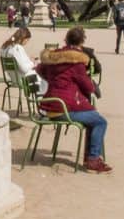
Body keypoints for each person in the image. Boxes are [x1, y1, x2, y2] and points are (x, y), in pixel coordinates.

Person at [38, 26, 111, 173]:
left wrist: (55, 81)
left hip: (50, 105)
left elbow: (39, 69)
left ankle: (91, 158)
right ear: (81, 42)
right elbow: (88, 88)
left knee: (93, 119)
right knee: (100, 121)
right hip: (64, 108)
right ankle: (93, 160)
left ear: (66, 39)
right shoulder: (76, 62)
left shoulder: (53, 57)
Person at [0, 26, 47, 95]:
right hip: (24, 79)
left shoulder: (5, 47)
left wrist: (29, 61)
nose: (26, 43)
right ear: (24, 38)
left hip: (14, 79)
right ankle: (44, 100)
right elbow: (24, 68)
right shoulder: (17, 48)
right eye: (27, 40)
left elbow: (19, 62)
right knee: (47, 77)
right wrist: (33, 63)